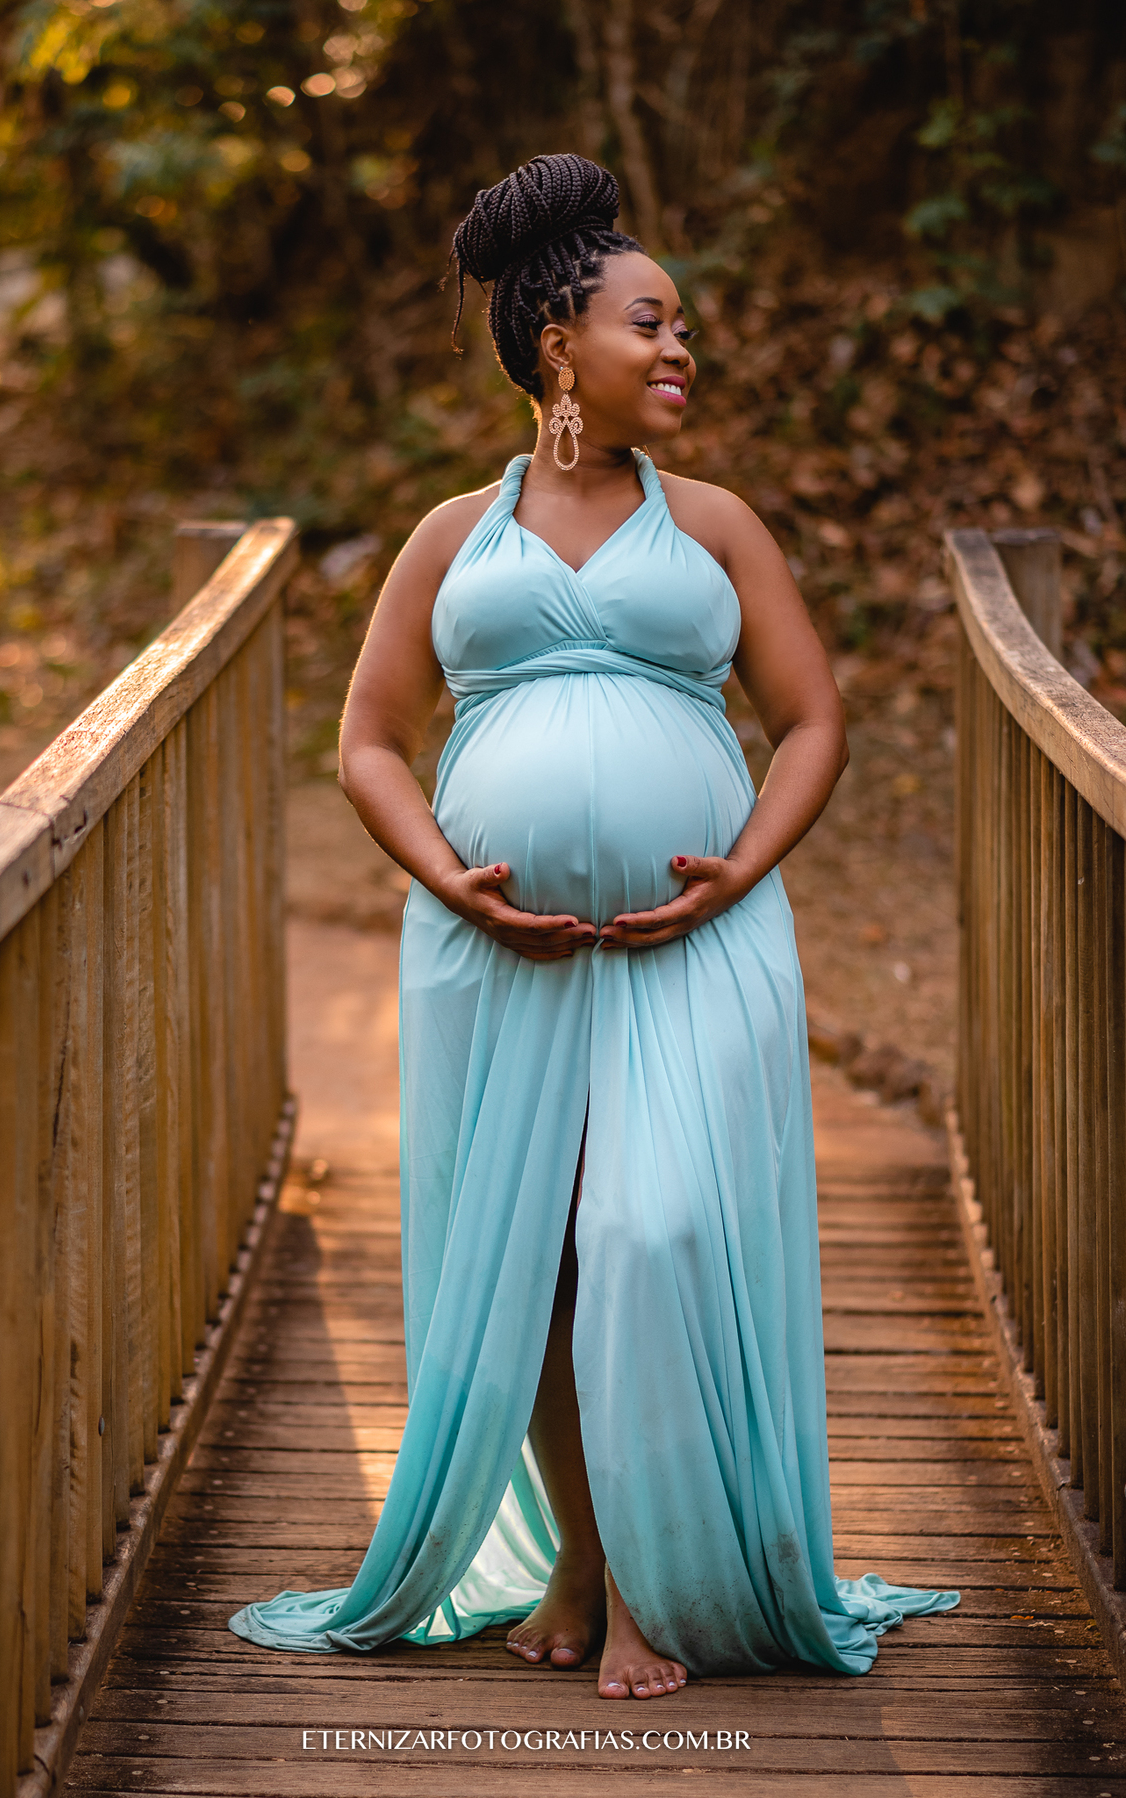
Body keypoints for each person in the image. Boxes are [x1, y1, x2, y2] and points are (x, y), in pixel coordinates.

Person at [229, 152, 959, 1698]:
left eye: (682, 324)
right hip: (499, 958)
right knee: (546, 1257)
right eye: (652, 322)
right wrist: (445, 876)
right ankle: (586, 1559)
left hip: (698, 944)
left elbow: (814, 720)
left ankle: (651, 1577)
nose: (682, 346)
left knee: (653, 1229)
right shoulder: (449, 536)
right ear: (561, 345)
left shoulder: (718, 525)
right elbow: (367, 739)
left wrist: (739, 868)